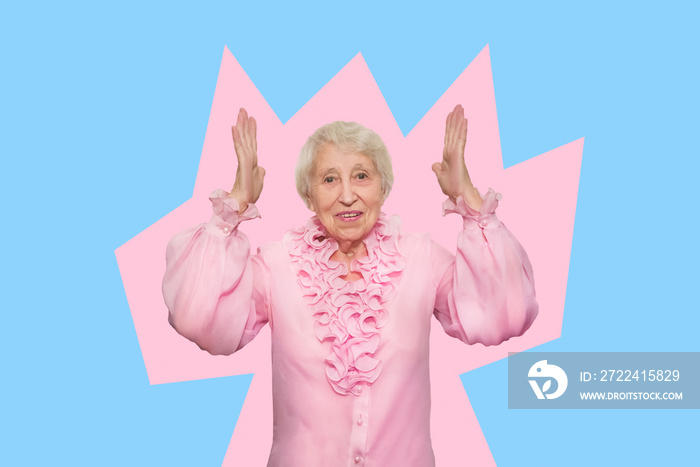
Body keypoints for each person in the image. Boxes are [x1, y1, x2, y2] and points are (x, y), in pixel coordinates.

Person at [163, 105, 538, 467]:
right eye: (329, 179)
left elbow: (502, 314)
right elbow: (198, 318)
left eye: (361, 176)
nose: (347, 195)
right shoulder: (277, 265)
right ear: (309, 195)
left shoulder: (421, 258)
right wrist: (235, 205)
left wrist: (470, 201)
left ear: (383, 188)